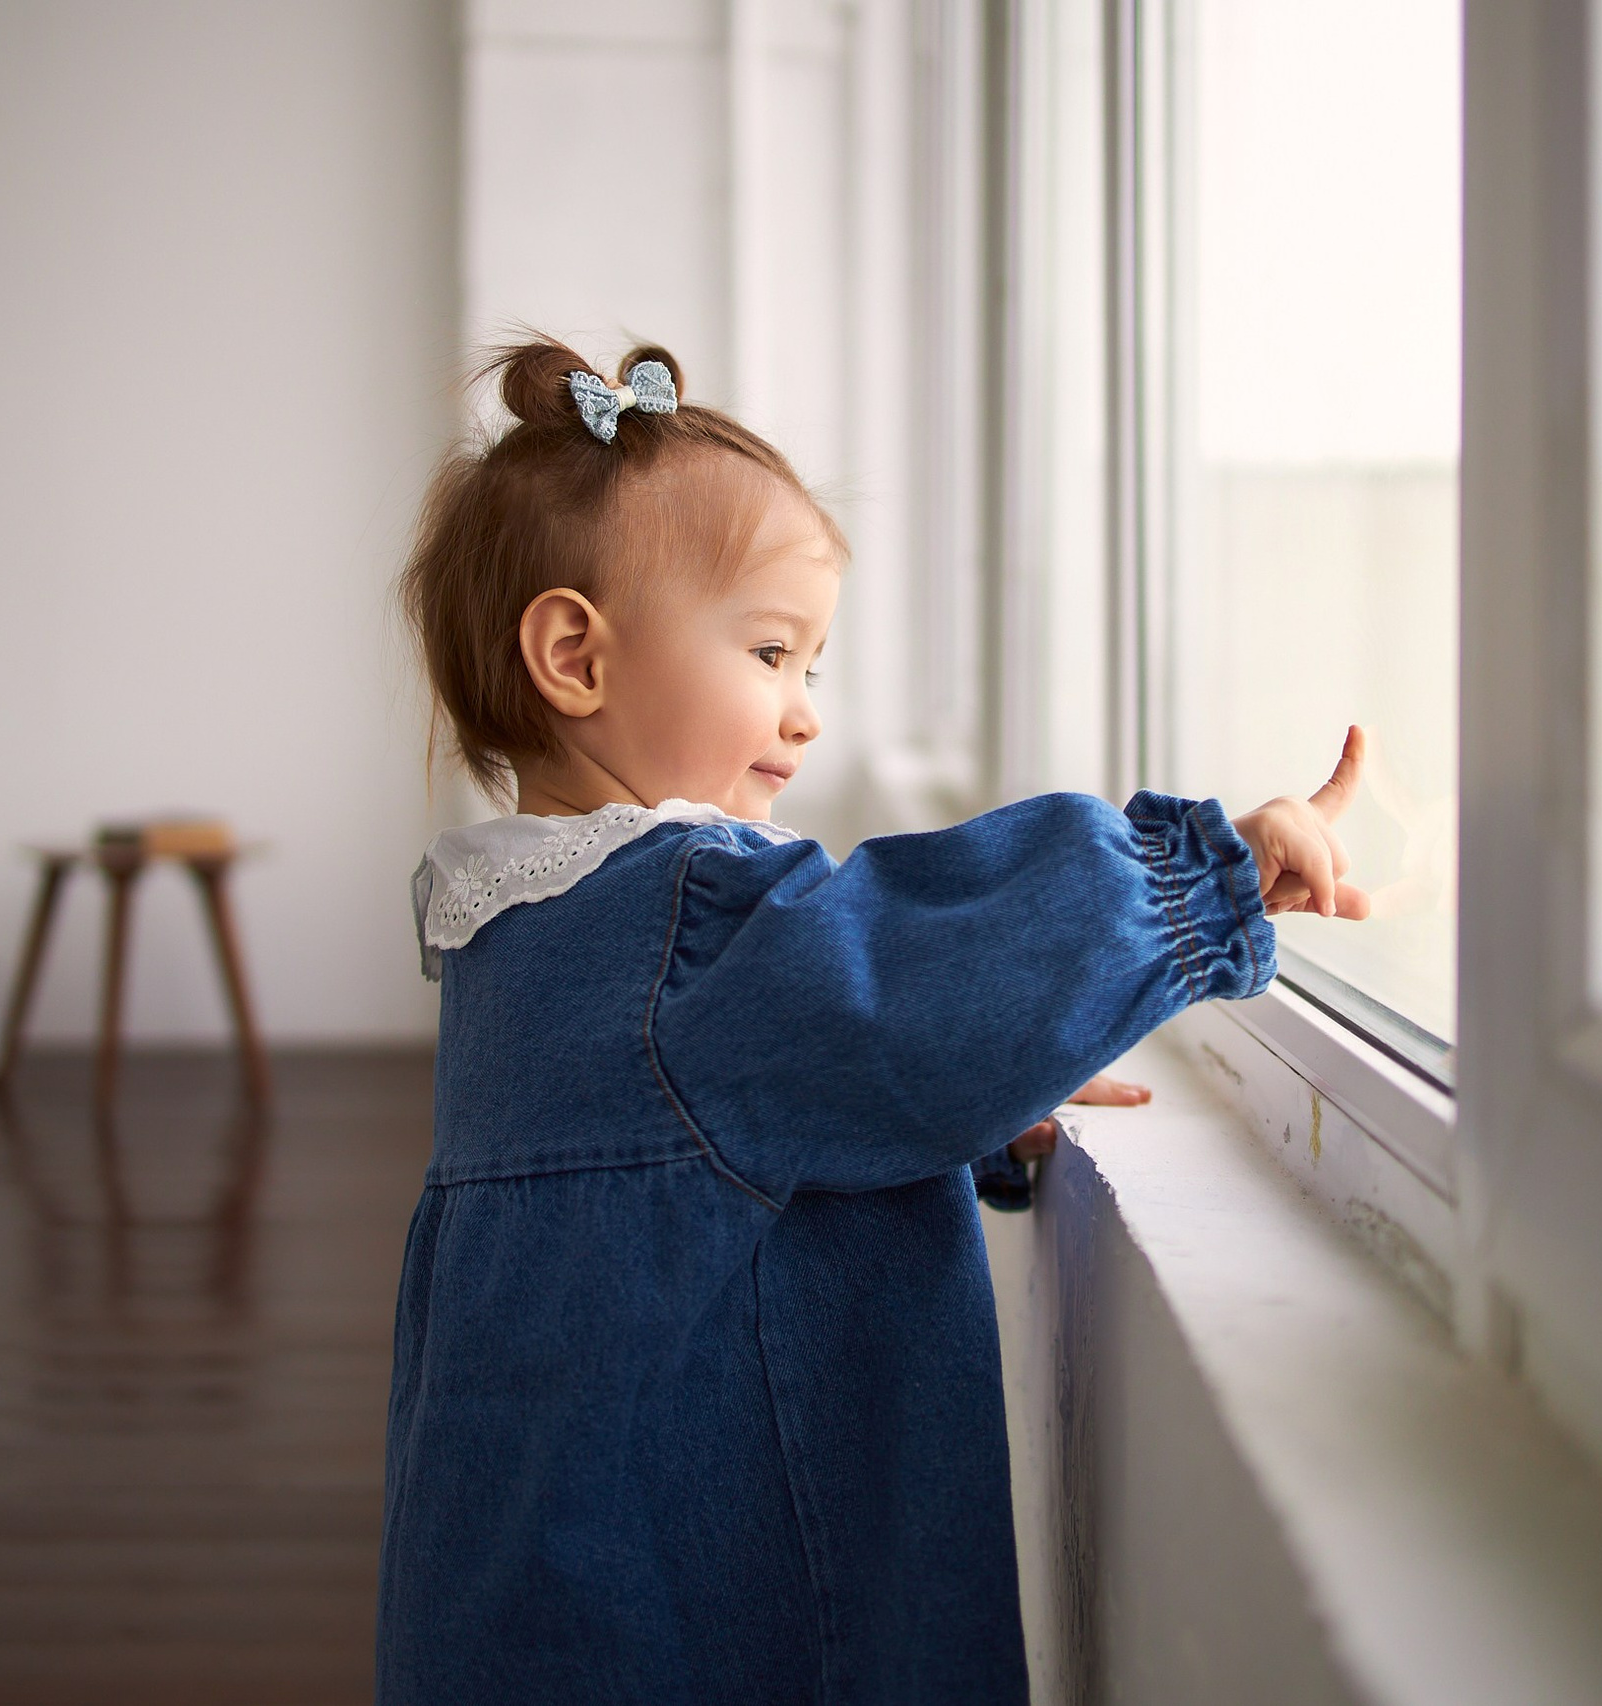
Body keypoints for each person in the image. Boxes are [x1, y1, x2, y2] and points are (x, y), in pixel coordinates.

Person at [378, 336, 1368, 1705]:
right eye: (772, 651)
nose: (802, 717)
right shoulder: (689, 924)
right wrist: (1208, 871)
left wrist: (953, 1125)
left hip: (532, 1576)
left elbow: (707, 1142)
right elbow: (905, 974)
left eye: (814, 667)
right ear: (573, 656)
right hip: (703, 1607)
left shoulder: (523, 931)